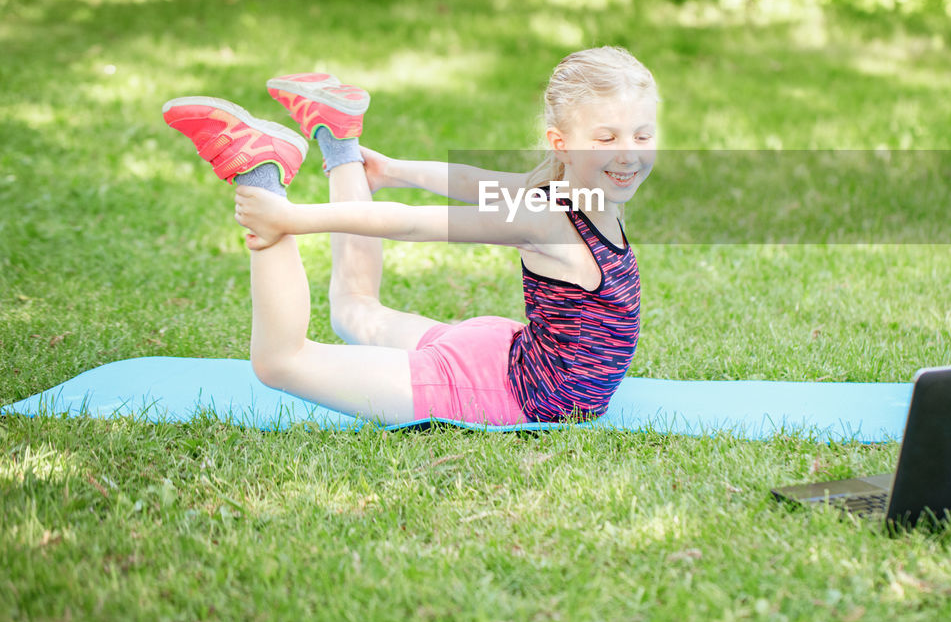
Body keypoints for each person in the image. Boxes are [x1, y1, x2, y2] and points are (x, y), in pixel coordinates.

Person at [161, 47, 659, 427]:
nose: (629, 154)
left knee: (354, 307)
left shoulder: (581, 192)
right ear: (563, 146)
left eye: (642, 135)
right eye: (607, 137)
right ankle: (258, 174)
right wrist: (289, 218)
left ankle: (338, 140)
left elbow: (474, 184)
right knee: (280, 363)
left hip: (510, 355)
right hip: (510, 387)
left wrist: (390, 170)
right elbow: (415, 222)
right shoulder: (554, 212)